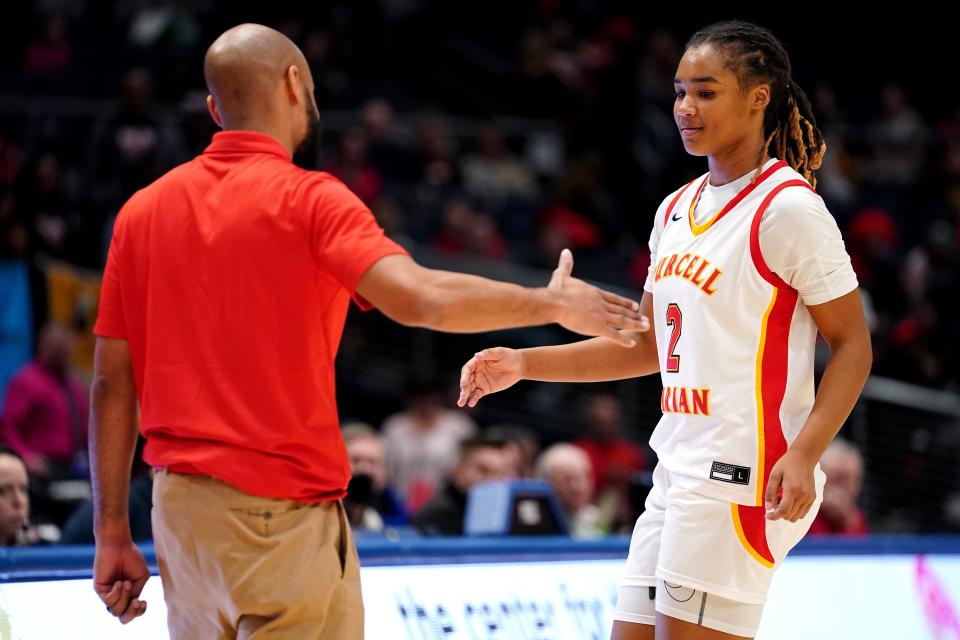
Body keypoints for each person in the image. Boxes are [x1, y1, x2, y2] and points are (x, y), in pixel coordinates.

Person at [89, 23, 646, 636]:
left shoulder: (141, 211)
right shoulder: (310, 199)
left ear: (215, 109)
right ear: (296, 84)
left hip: (179, 514)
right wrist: (548, 302)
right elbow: (420, 298)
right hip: (278, 513)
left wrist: (111, 528)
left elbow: (112, 384)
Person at [459, 20, 872, 640]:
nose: (686, 108)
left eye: (707, 92)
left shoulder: (789, 208)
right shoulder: (674, 209)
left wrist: (806, 451)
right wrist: (523, 363)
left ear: (759, 96)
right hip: (677, 468)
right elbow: (646, 344)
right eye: (680, 92)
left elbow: (853, 345)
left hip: (744, 474)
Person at [411, 435, 510, 536]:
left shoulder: (507, 513)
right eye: (483, 470)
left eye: (500, 472)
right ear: (458, 470)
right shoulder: (435, 517)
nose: (492, 479)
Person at [537, 443, 605, 538]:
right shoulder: (535, 526)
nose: (577, 487)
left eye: (583, 477)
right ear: (545, 482)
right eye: (567, 480)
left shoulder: (600, 520)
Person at [807, 439, 869, 536]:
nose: (844, 490)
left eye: (853, 481)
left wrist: (847, 521)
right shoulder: (802, 513)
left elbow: (860, 549)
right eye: (837, 479)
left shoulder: (855, 518)